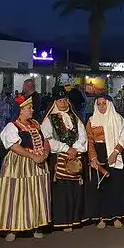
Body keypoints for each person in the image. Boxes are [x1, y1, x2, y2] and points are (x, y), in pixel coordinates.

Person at [0, 96, 50, 242]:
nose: (32, 110)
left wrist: (45, 153)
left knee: (36, 194)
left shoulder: (36, 124)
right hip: (20, 164)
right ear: (20, 111)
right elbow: (14, 146)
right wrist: (32, 156)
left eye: (31, 108)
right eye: (28, 108)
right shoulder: (12, 126)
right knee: (17, 194)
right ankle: (13, 228)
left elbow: (45, 140)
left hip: (38, 164)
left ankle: (35, 226)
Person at [41, 88, 88, 232]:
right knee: (61, 192)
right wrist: (66, 149)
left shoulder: (75, 117)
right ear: (55, 102)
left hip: (75, 157)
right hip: (59, 158)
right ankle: (62, 220)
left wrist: (74, 149)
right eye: (60, 100)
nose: (63, 102)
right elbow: (48, 139)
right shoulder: (49, 119)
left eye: (65, 100)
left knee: (76, 190)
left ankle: (75, 219)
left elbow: (83, 136)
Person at [85, 95, 124, 229]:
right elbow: (89, 140)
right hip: (99, 154)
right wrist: (93, 158)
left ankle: (116, 216)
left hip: (114, 153)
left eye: (104, 103)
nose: (101, 107)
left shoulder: (118, 119)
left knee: (116, 186)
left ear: (109, 104)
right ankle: (102, 217)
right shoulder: (92, 120)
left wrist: (116, 152)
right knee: (100, 187)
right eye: (99, 104)